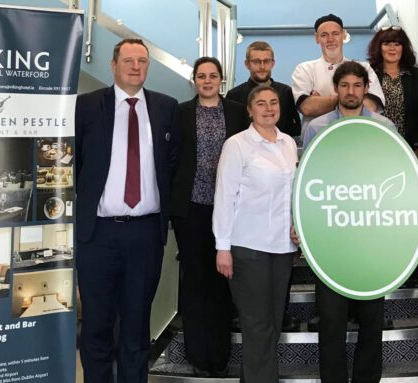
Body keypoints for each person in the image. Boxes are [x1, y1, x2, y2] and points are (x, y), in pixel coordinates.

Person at [75, 38, 180, 383]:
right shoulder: (87, 106)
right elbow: (74, 164)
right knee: (96, 325)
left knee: (136, 326)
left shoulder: (166, 107)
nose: (136, 67)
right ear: (114, 64)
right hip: (99, 234)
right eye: (129, 60)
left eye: (143, 61)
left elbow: (171, 164)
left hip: (145, 234)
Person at [300, 60, 392, 383]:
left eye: (357, 85)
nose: (350, 91)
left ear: (366, 89)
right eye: (344, 86)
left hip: (372, 241)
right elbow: (306, 181)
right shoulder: (316, 128)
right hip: (330, 241)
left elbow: (394, 178)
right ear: (335, 89)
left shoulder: (384, 127)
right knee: (330, 321)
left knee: (372, 320)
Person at [213, 85, 298, 382]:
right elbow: (225, 196)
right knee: (257, 325)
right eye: (261, 103)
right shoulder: (237, 145)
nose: (269, 108)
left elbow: (293, 194)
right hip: (247, 246)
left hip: (283, 247)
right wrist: (222, 247)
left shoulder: (288, 143)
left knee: (273, 323)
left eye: (273, 102)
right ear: (250, 110)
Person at [169, 56, 248, 378]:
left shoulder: (238, 111)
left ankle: (219, 353)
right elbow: (172, 157)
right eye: (201, 76)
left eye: (212, 75)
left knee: (220, 282)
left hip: (229, 209)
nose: (207, 81)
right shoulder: (180, 113)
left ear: (221, 79)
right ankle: (197, 353)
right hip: (192, 209)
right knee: (195, 280)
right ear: (194, 80)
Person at [292, 13, 385, 140]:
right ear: (316, 38)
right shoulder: (304, 69)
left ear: (343, 35)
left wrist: (323, 101)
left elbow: (370, 106)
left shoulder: (364, 68)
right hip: (318, 139)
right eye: (324, 35)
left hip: (361, 138)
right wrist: (352, 99)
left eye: (335, 33)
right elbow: (307, 108)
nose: (330, 39)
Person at [367, 25, 418, 161]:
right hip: (375, 144)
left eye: (397, 44)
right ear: (379, 47)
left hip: (409, 147)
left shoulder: (417, 75)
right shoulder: (369, 73)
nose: (392, 48)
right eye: (387, 44)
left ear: (403, 48)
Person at [226, 41, 301, 137]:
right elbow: (231, 131)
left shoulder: (286, 92)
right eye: (256, 62)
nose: (262, 66)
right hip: (245, 150)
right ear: (247, 64)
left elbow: (294, 129)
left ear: (273, 63)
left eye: (266, 61)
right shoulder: (234, 95)